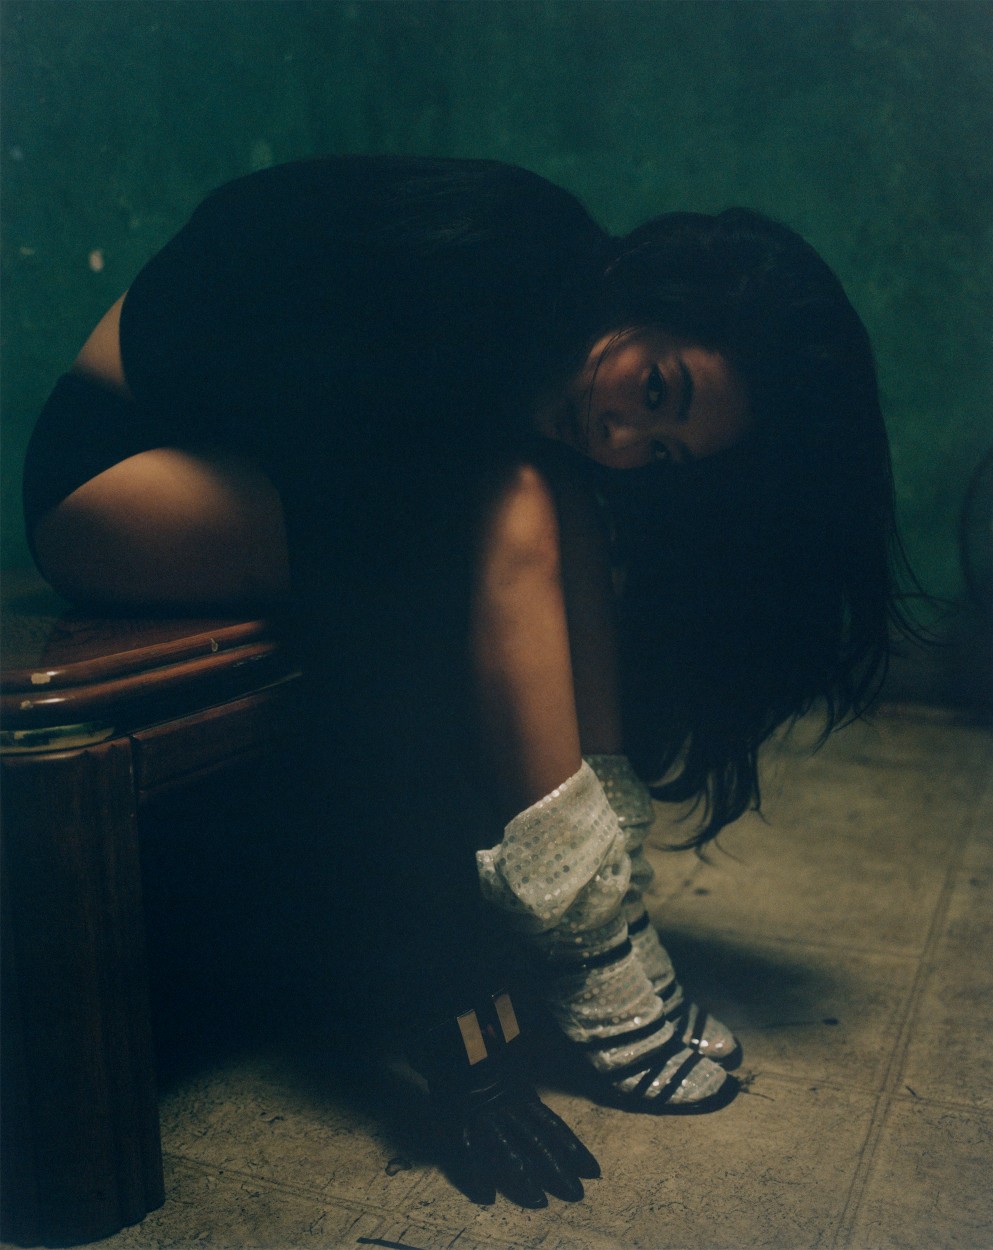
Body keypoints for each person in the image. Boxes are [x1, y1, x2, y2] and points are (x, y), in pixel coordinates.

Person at [22, 155, 908, 1208]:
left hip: (252, 466)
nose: (624, 440)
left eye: (665, 450)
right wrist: (459, 1019)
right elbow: (379, 655)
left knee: (552, 492)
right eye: (654, 390)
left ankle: (605, 918)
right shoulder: (488, 265)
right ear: (654, 294)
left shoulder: (554, 334)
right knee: (516, 498)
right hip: (114, 469)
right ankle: (585, 947)